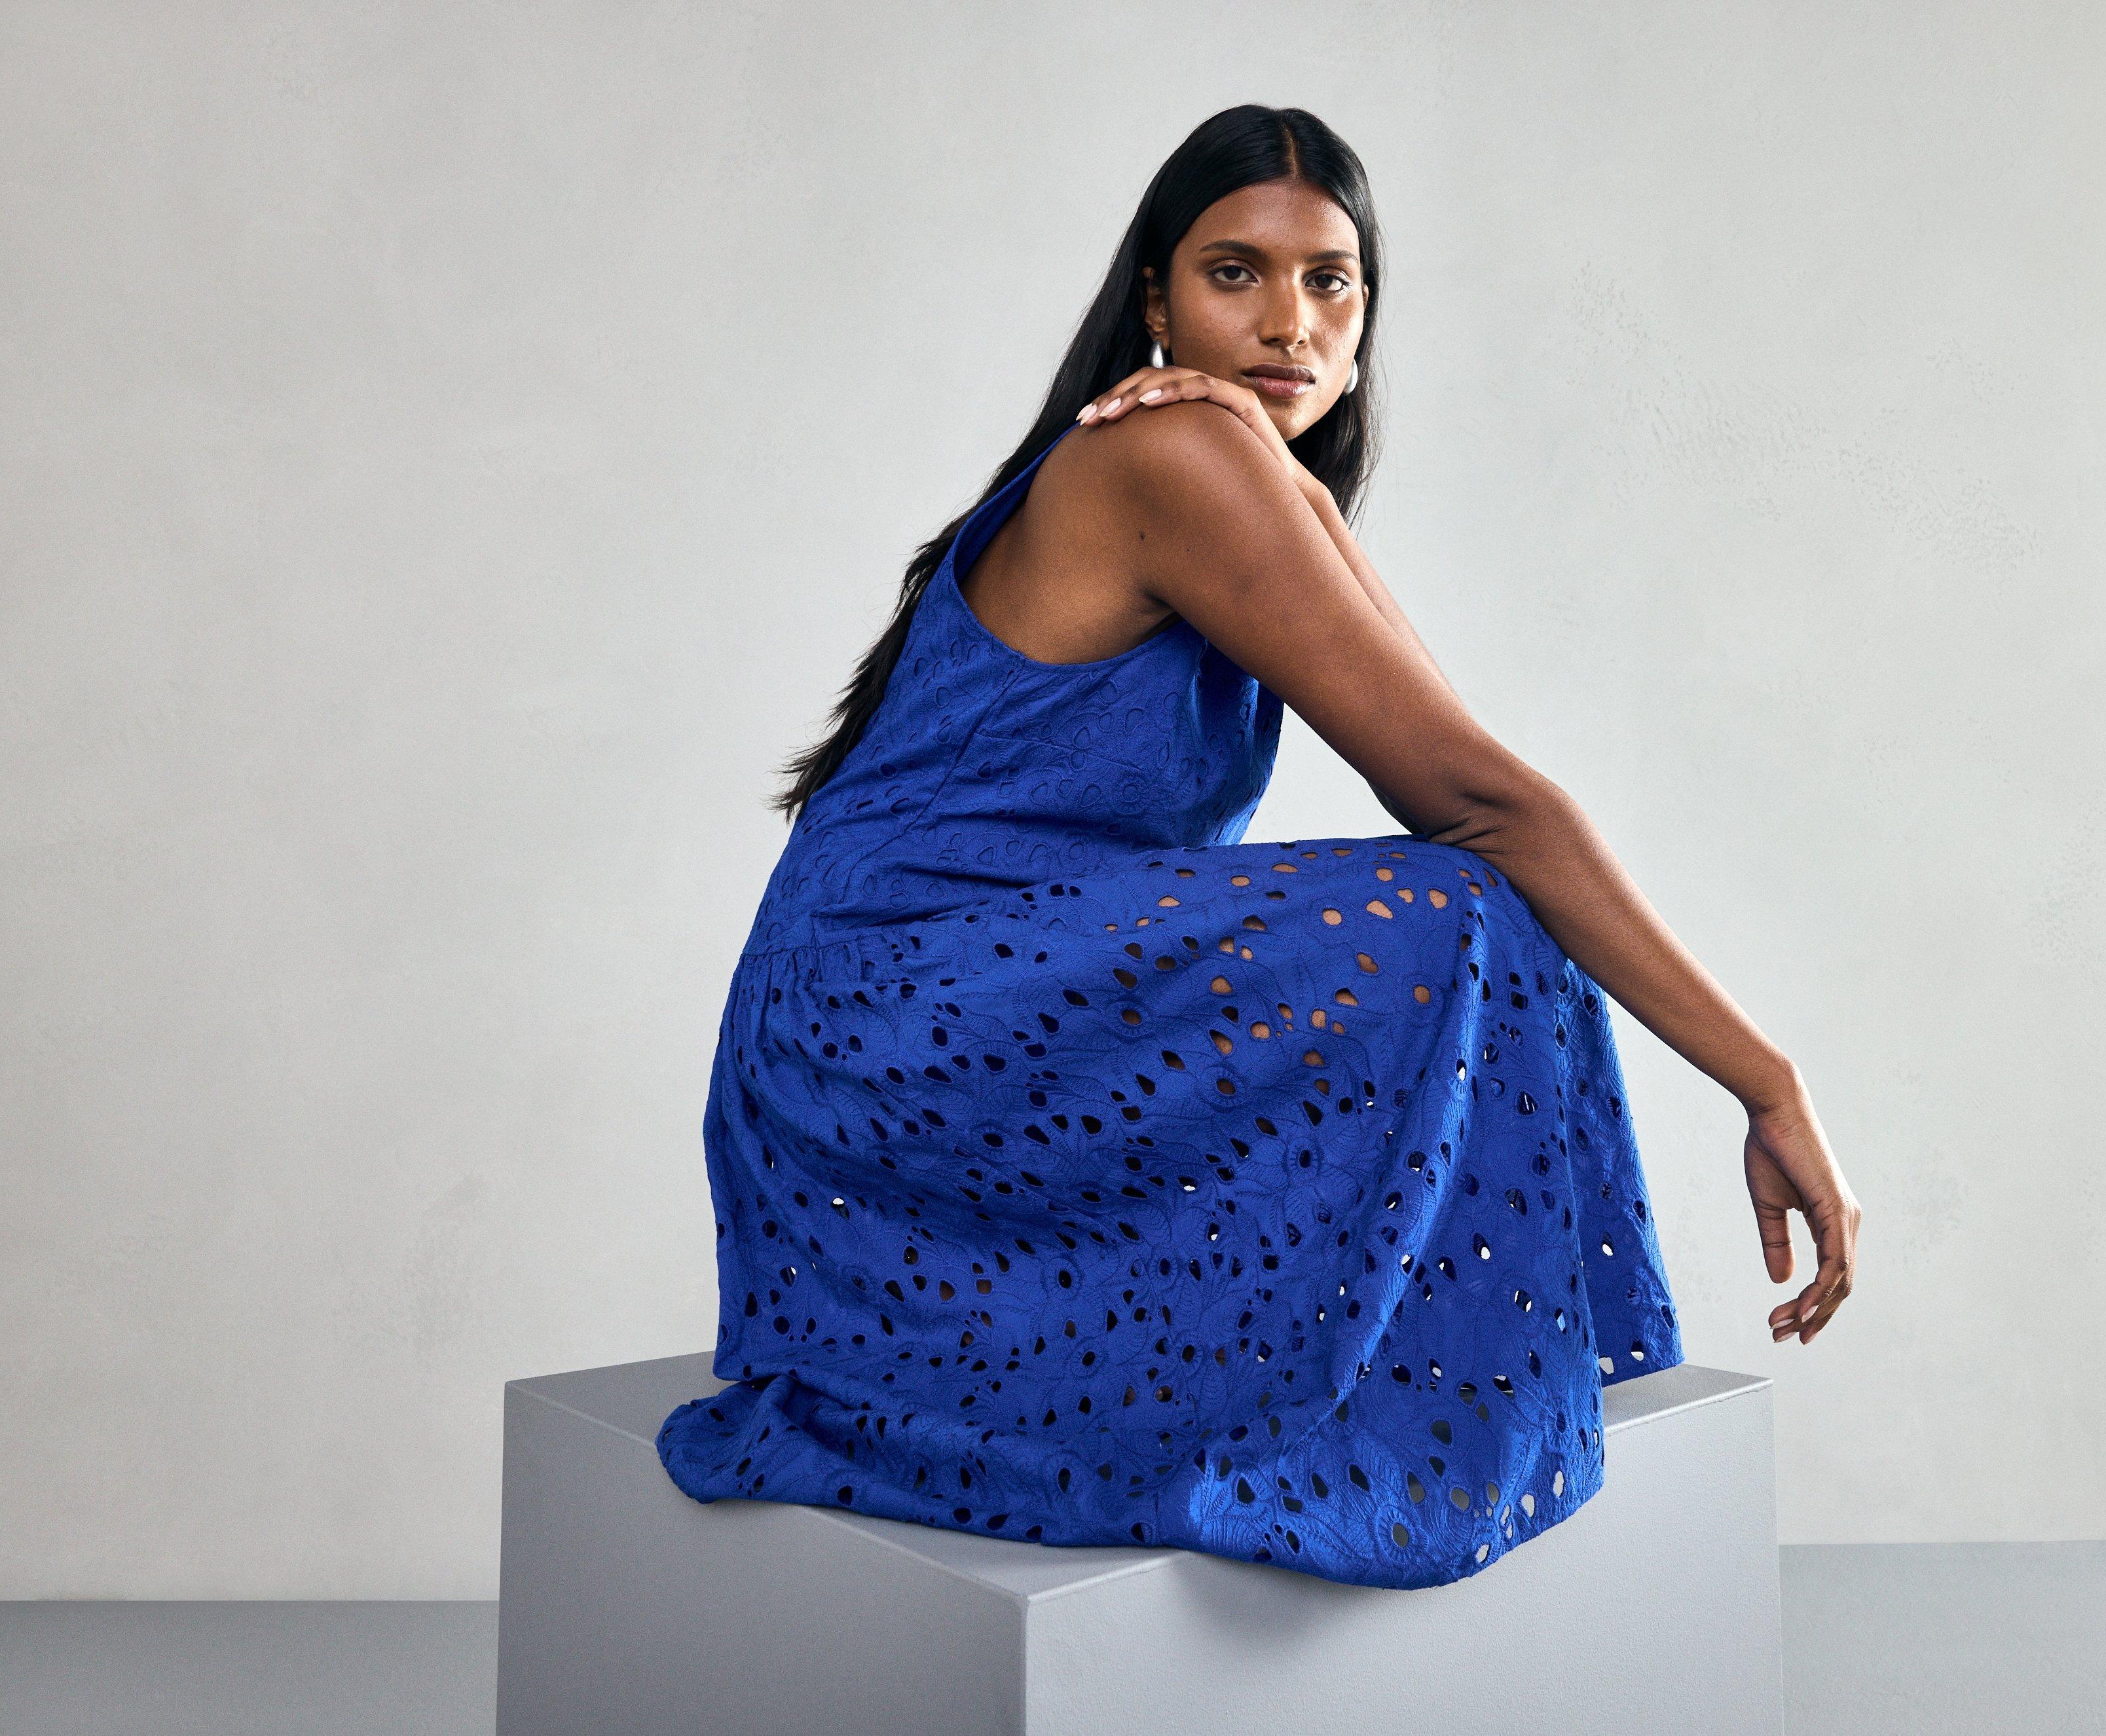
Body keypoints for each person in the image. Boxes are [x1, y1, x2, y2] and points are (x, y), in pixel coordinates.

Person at [654, 103, 1860, 1591]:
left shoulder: (1227, 458)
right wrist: (1766, 1080)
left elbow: (1456, 752)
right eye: (1237, 273)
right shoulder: (1165, 453)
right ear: (1155, 300)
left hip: (963, 991)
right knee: (1450, 910)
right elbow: (1475, 798)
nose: (1288, 321)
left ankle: (1464, 1382)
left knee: (1479, 902)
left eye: (1331, 282)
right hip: (885, 1011)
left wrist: (1281, 469)